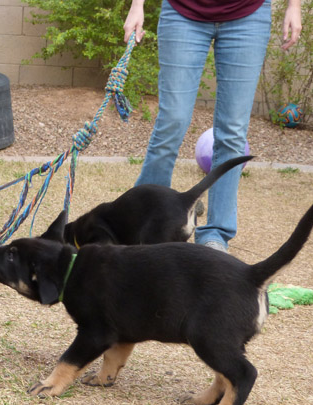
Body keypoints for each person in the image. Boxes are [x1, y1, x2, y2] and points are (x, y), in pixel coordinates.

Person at [123, 0, 301, 251]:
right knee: (171, 121)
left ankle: (215, 234)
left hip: (248, 16)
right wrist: (137, 5)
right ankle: (141, 219)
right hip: (182, 11)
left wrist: (294, 5)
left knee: (232, 132)